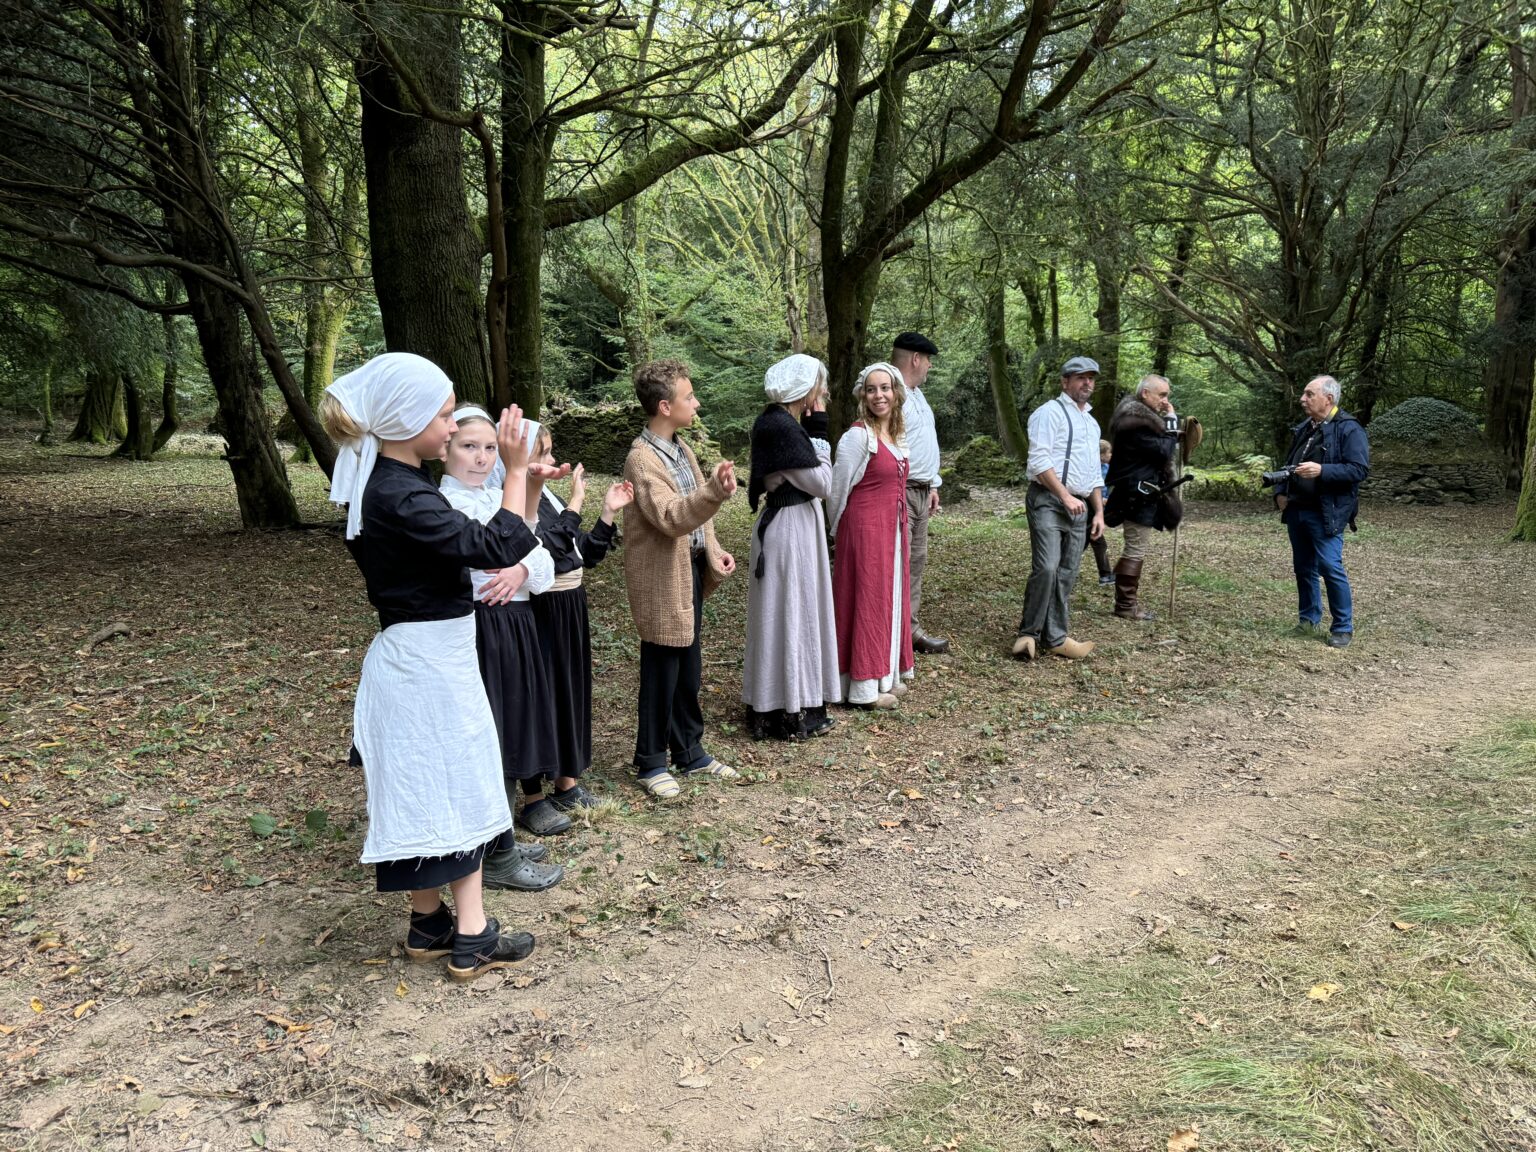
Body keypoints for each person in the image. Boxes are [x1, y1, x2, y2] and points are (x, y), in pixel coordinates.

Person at [321, 351, 541, 983]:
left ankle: (429, 924)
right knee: (457, 783)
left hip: (425, 657)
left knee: (421, 784)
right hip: (428, 665)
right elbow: (493, 547)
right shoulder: (399, 495)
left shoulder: (394, 485)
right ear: (406, 419)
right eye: (443, 415)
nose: (451, 426)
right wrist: (515, 471)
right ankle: (472, 936)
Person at [439, 410, 574, 876]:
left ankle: (502, 838)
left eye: (489, 448)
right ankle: (494, 851)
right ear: (445, 448)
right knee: (490, 735)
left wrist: (519, 569)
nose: (481, 458)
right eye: (468, 446)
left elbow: (543, 568)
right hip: (481, 627)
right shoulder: (447, 504)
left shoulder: (497, 499)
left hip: (517, 624)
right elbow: (480, 570)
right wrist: (517, 563)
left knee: (514, 727)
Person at [622, 358, 740, 798]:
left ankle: (689, 752)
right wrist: (714, 491)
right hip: (659, 580)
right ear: (665, 406)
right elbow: (671, 516)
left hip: (686, 572)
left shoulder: (682, 450)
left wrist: (713, 548)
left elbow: (697, 516)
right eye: (689, 397)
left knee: (688, 668)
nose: (697, 403)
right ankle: (651, 761)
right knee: (662, 669)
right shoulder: (641, 459)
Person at [526, 425, 633, 808]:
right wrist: (575, 502)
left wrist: (607, 512)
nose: (553, 460)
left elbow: (582, 553)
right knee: (546, 693)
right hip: (543, 609)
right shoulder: (517, 501)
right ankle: (536, 794)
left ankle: (566, 782)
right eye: (544, 453)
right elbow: (548, 552)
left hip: (570, 607)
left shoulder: (548, 498)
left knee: (569, 690)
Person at [743, 353, 840, 741]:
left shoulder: (780, 423)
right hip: (788, 530)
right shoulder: (781, 427)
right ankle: (786, 708)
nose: (824, 393)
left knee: (795, 611)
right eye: (820, 385)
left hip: (796, 525)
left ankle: (793, 701)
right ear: (806, 389)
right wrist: (820, 435)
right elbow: (823, 484)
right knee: (790, 612)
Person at [828, 362, 914, 708]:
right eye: (871, 389)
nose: (879, 395)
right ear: (862, 396)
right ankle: (861, 687)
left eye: (885, 388)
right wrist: (840, 531)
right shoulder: (858, 436)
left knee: (887, 599)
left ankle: (884, 676)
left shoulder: (895, 435)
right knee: (866, 600)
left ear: (896, 393)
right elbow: (837, 490)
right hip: (864, 530)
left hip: (890, 530)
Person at [1011, 356, 1105, 661]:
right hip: (1048, 500)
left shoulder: (1091, 423)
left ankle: (1056, 637)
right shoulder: (1048, 413)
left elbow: (1093, 473)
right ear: (1065, 382)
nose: (1087, 383)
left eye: (1091, 378)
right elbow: (1039, 462)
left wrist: (1098, 512)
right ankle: (1028, 634)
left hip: (1080, 506)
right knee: (1047, 567)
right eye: (1080, 377)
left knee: (1067, 571)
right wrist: (1064, 496)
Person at [1271, 374, 1370, 648]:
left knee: (1330, 567)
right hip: (1297, 510)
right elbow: (1289, 464)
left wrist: (1322, 470)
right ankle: (1308, 621)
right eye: (1304, 394)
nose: (1302, 399)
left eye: (1309, 394)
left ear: (1328, 398)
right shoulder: (1305, 428)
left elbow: (1359, 470)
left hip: (1327, 512)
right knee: (1303, 568)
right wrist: (1280, 493)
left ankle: (1342, 628)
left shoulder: (1349, 429)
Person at [888, 332, 949, 655]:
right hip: (900, 490)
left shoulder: (917, 396)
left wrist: (933, 484)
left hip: (921, 491)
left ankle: (908, 630)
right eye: (927, 360)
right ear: (915, 359)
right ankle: (892, 633)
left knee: (915, 561)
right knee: (897, 562)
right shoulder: (891, 394)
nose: (929, 366)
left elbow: (923, 442)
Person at [1103, 375, 1183, 621]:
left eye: (1167, 395)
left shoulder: (1139, 418)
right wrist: (1171, 420)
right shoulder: (1134, 421)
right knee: (1135, 548)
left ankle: (1126, 603)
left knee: (1134, 547)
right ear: (1145, 393)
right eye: (1162, 395)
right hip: (1137, 494)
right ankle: (1126, 605)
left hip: (1140, 491)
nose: (1165, 401)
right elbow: (1163, 450)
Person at [1084, 439, 1115, 586]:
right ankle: (1105, 575)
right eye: (1109, 452)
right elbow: (1093, 486)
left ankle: (1106, 574)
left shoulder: (1107, 467)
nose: (1111, 455)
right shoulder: (1091, 469)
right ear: (1101, 455)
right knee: (1093, 540)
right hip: (1091, 508)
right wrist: (1101, 499)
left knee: (1096, 540)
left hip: (1097, 510)